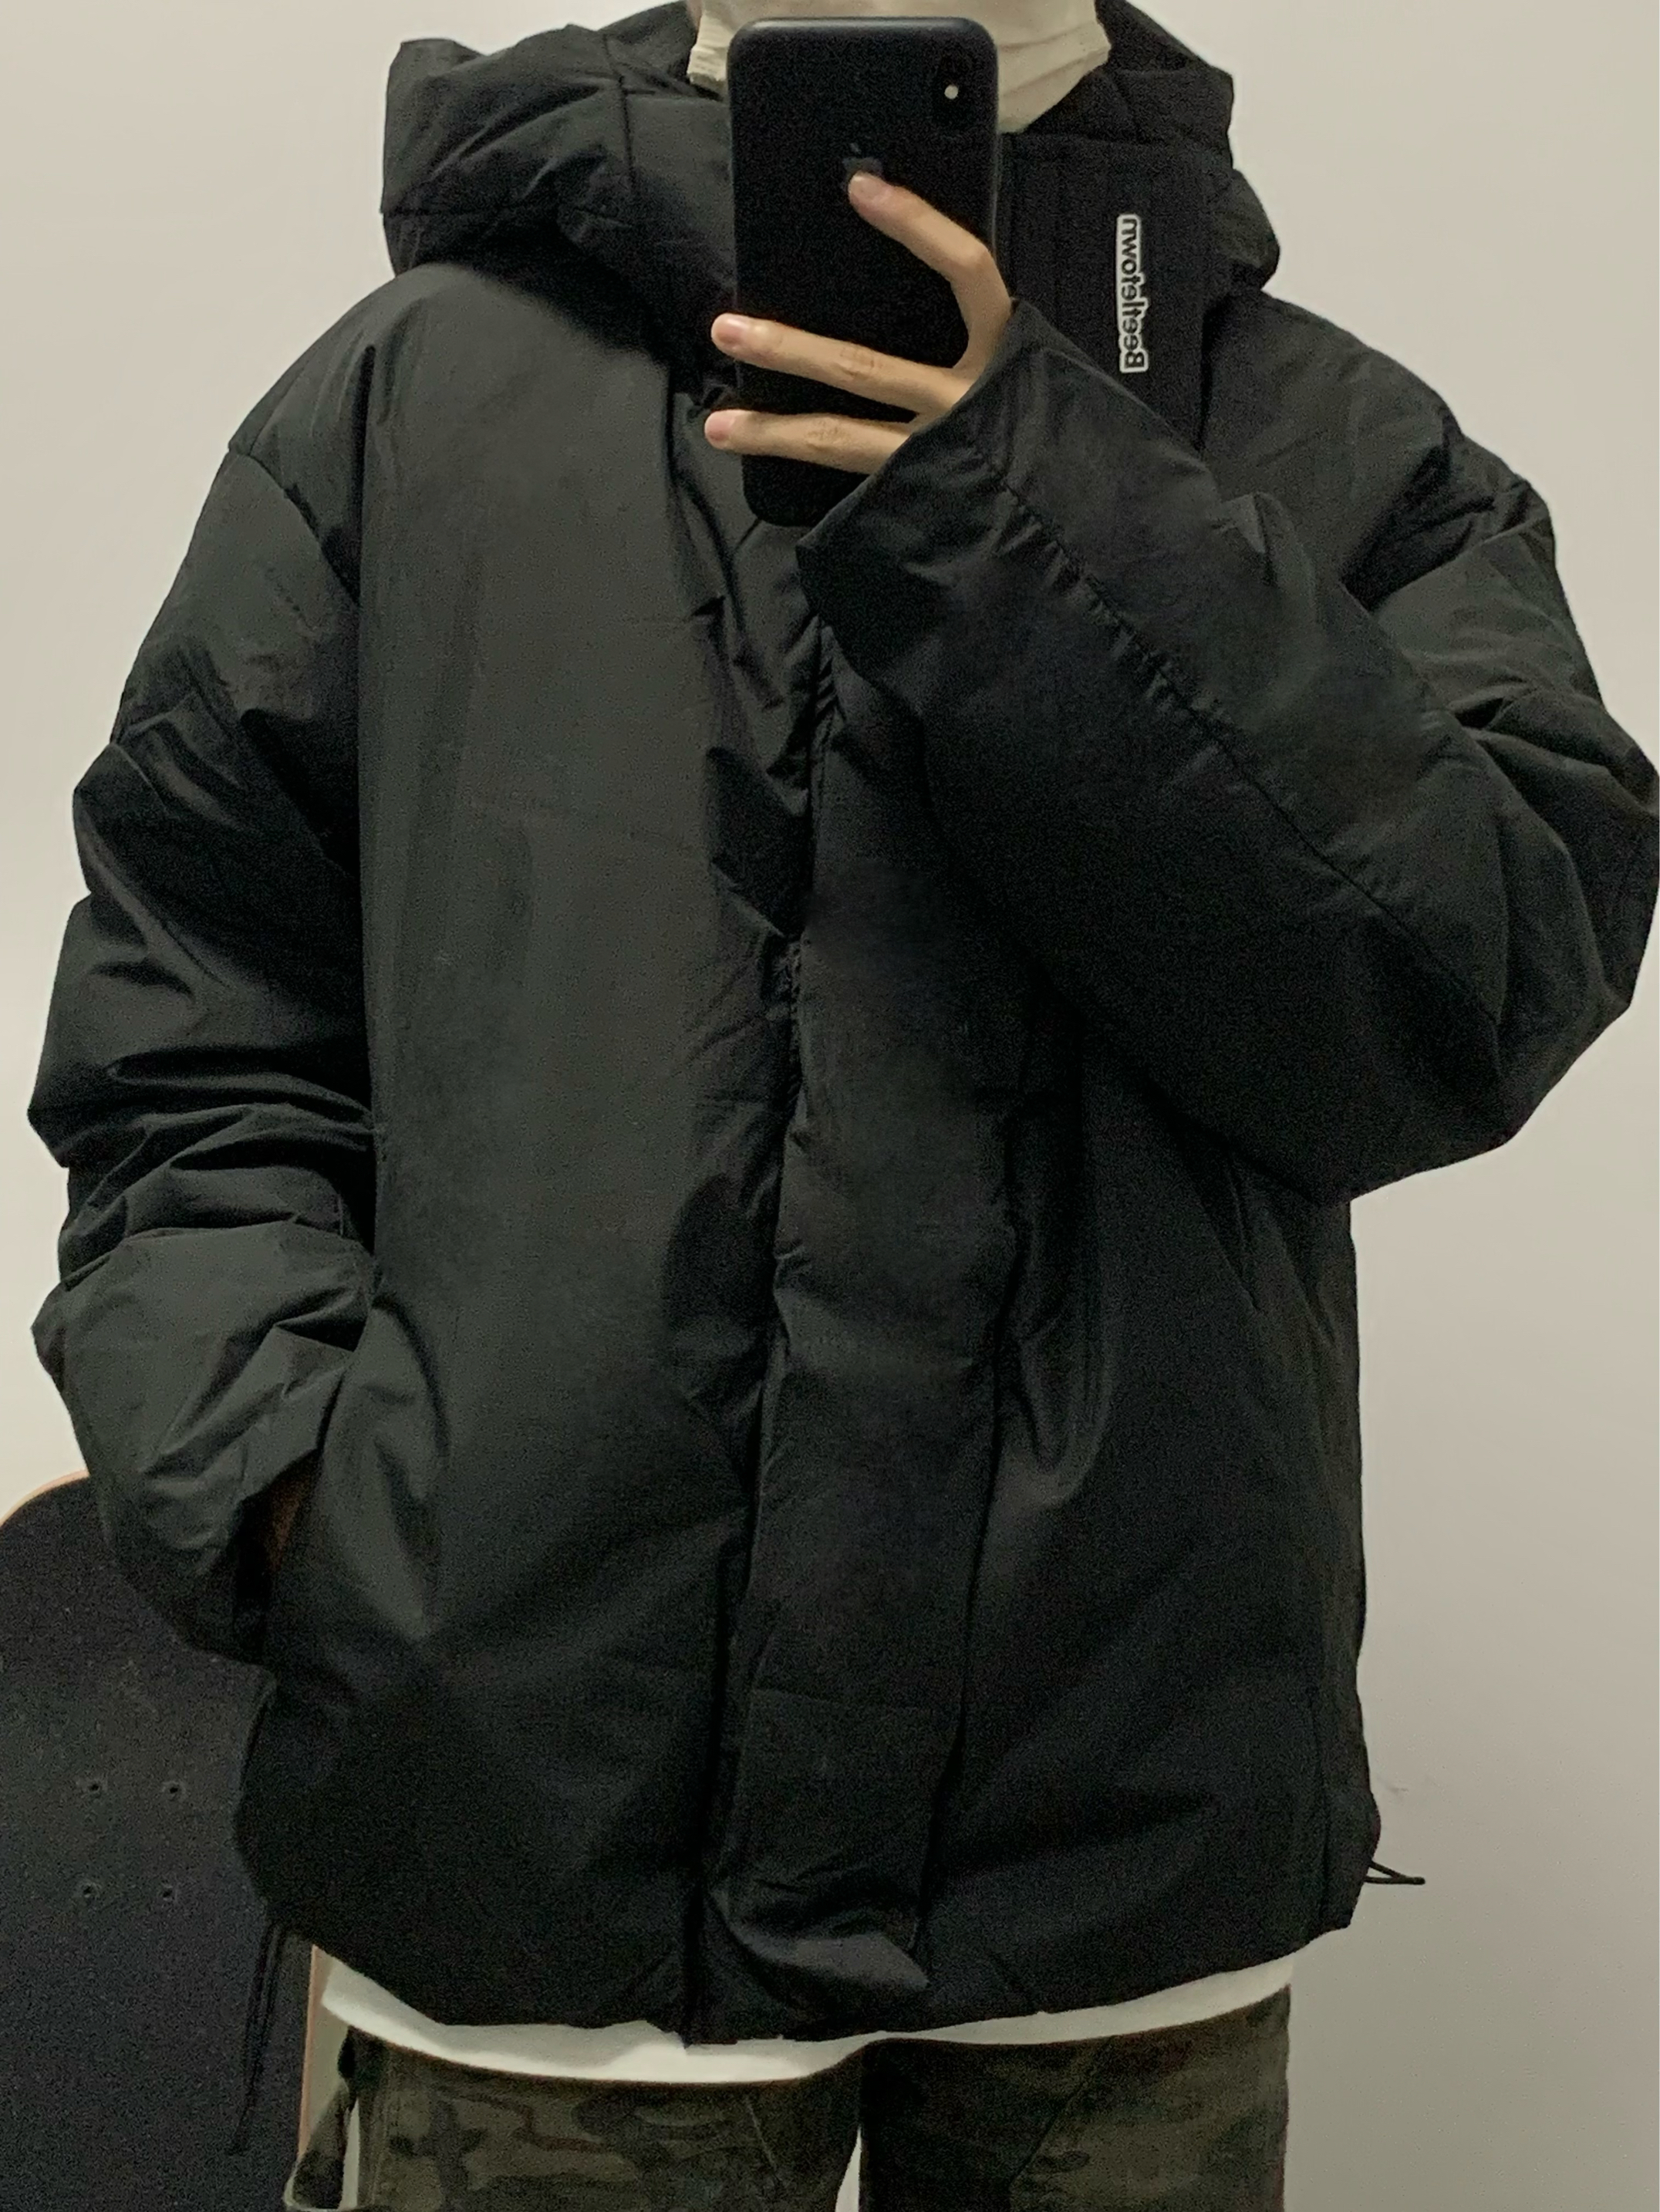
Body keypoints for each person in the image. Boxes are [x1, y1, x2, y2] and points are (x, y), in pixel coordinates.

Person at [25, 0, 1657, 2202]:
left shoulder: (1328, 443)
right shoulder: (414, 398)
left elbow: (1461, 992)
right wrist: (305, 1502)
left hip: (1111, 1874)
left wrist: (1031, 498)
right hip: (538, 1824)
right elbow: (193, 1017)